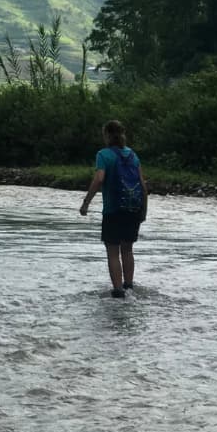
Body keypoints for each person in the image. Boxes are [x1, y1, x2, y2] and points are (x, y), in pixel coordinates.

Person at [80, 119, 149, 298]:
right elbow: (142, 185)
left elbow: (99, 179)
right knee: (127, 249)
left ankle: (118, 292)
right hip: (133, 208)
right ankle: (129, 286)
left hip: (113, 210)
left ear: (107, 135)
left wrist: (86, 202)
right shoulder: (132, 155)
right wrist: (144, 211)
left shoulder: (103, 155)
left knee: (112, 251)